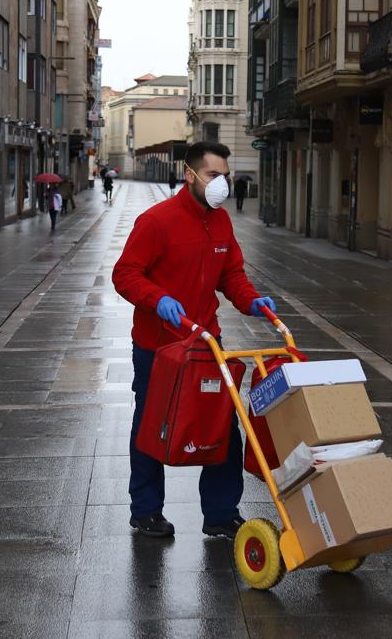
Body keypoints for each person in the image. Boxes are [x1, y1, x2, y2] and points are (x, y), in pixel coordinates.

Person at [112, 141, 277, 539]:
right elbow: (125, 274)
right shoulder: (157, 222)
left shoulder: (221, 222)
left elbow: (231, 274)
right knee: (153, 427)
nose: (221, 183)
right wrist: (157, 299)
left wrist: (252, 301)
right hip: (159, 346)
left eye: (225, 175)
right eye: (212, 175)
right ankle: (146, 510)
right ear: (190, 175)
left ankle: (221, 512)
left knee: (222, 425)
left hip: (206, 343)